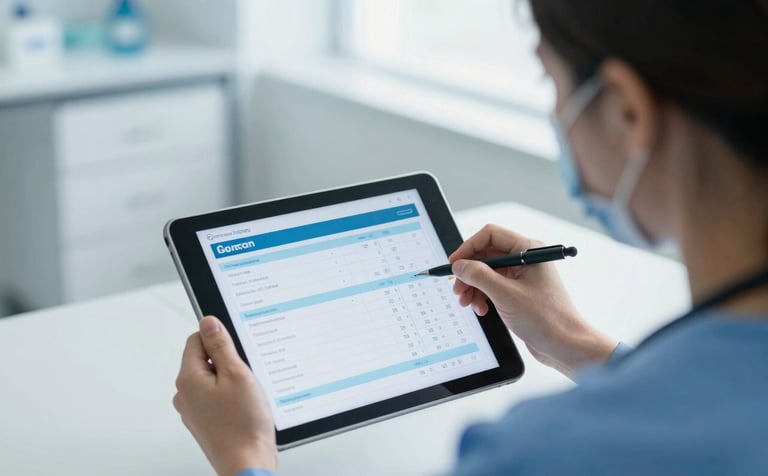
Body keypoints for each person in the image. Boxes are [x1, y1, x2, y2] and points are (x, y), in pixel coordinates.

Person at [172, 0, 768, 474]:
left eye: (550, 78)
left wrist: (245, 457)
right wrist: (573, 343)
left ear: (626, 112)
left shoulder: (550, 453)